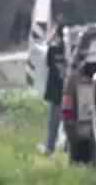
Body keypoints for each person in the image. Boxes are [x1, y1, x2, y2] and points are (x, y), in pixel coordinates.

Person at [40, 26, 66, 154]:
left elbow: (47, 63)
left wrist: (49, 39)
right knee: (68, 122)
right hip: (67, 90)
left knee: (53, 123)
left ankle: (50, 148)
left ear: (57, 34)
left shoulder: (53, 49)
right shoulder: (71, 49)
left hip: (55, 90)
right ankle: (67, 147)